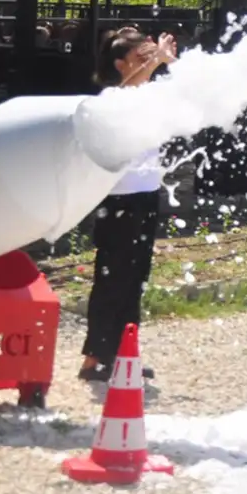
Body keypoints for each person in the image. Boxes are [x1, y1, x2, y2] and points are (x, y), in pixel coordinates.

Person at [78, 25, 177, 383]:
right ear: (121, 64)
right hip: (120, 198)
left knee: (135, 277)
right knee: (112, 276)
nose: (148, 63)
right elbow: (128, 91)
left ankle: (123, 351)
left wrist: (164, 64)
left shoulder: (147, 93)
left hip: (145, 194)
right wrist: (156, 62)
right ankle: (95, 356)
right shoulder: (113, 97)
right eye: (140, 58)